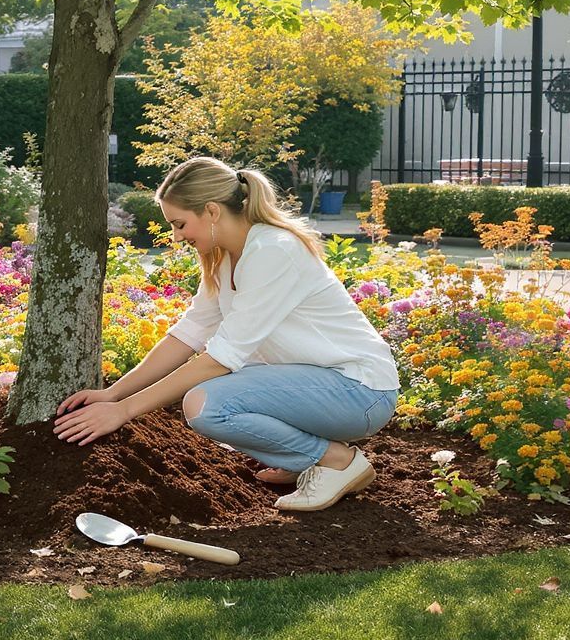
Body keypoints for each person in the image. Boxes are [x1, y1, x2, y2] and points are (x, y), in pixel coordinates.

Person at [53, 156, 401, 511]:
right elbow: (187, 334)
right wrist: (113, 395)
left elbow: (221, 358)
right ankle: (307, 459)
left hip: (360, 391)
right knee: (213, 397)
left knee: (208, 405)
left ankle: (334, 461)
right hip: (320, 385)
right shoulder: (226, 259)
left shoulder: (272, 251)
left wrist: (124, 411)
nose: (176, 236)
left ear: (212, 211)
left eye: (180, 223)